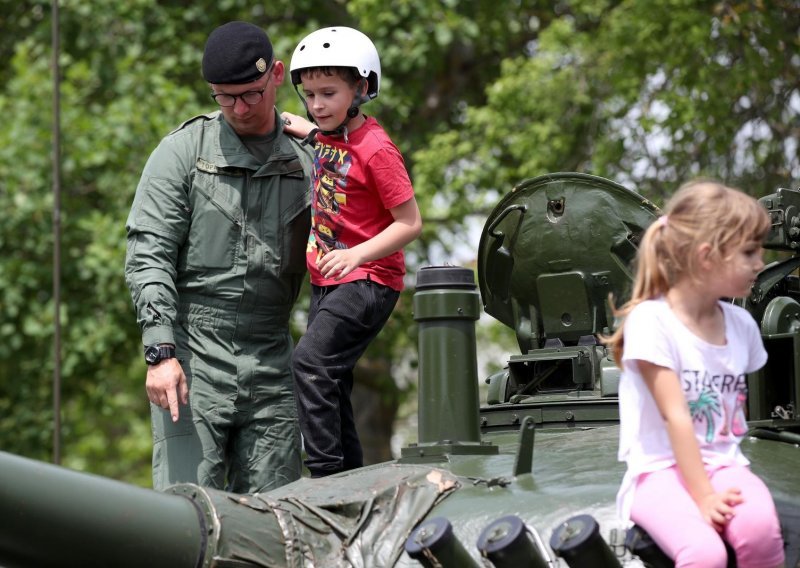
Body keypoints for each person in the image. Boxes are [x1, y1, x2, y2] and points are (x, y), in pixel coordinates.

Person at [124, 21, 315, 494]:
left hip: (272, 355)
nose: (239, 108)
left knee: (276, 522)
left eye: (250, 93)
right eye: (224, 97)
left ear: (276, 74)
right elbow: (149, 252)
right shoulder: (183, 153)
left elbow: (375, 202)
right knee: (186, 518)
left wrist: (330, 142)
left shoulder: (309, 160)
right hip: (192, 359)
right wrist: (160, 350)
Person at [603, 181, 785, 568]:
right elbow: (676, 415)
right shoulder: (652, 321)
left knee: (760, 530)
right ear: (707, 257)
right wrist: (703, 498)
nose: (760, 263)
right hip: (659, 473)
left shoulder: (741, 326)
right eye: (750, 252)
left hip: (724, 463)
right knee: (704, 553)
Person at [282, 26, 422, 477]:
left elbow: (410, 223)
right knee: (333, 382)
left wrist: (358, 255)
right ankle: (347, 479)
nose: (317, 105)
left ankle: (323, 478)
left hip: (368, 281)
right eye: (309, 95)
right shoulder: (328, 133)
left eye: (328, 93)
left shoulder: (377, 150)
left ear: (361, 89)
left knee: (309, 363)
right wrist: (297, 125)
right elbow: (321, 138)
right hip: (330, 280)